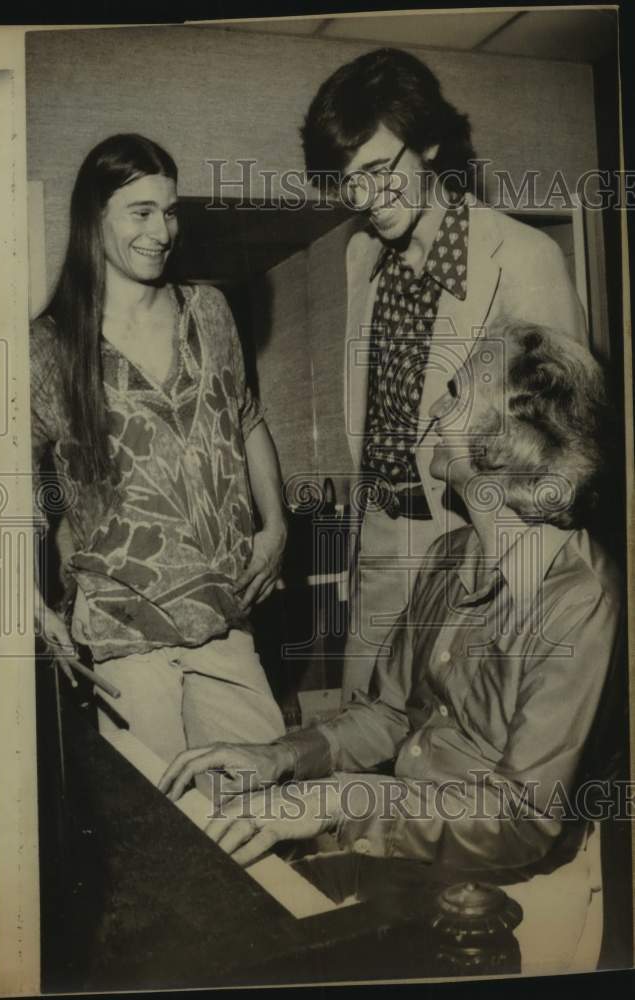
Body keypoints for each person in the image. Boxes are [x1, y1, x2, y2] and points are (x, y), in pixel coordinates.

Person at [160, 322, 620, 872]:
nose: (434, 410)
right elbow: (389, 715)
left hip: (510, 882)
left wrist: (341, 801)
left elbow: (521, 822)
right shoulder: (449, 555)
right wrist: (278, 757)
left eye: (455, 394)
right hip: (413, 849)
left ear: (509, 440)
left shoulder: (582, 603)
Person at [299, 48, 590, 701]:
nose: (364, 199)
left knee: (449, 742)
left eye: (377, 171)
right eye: (347, 181)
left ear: (428, 143)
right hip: (379, 545)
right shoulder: (360, 256)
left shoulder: (523, 258)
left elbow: (565, 455)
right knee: (360, 726)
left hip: (475, 552)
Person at [31, 133, 286, 763]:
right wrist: (31, 607)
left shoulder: (210, 310)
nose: (161, 232)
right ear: (94, 218)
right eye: (140, 212)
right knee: (160, 817)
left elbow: (246, 418)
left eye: (169, 212)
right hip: (123, 635)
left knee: (260, 797)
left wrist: (276, 526)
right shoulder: (51, 346)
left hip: (225, 618)